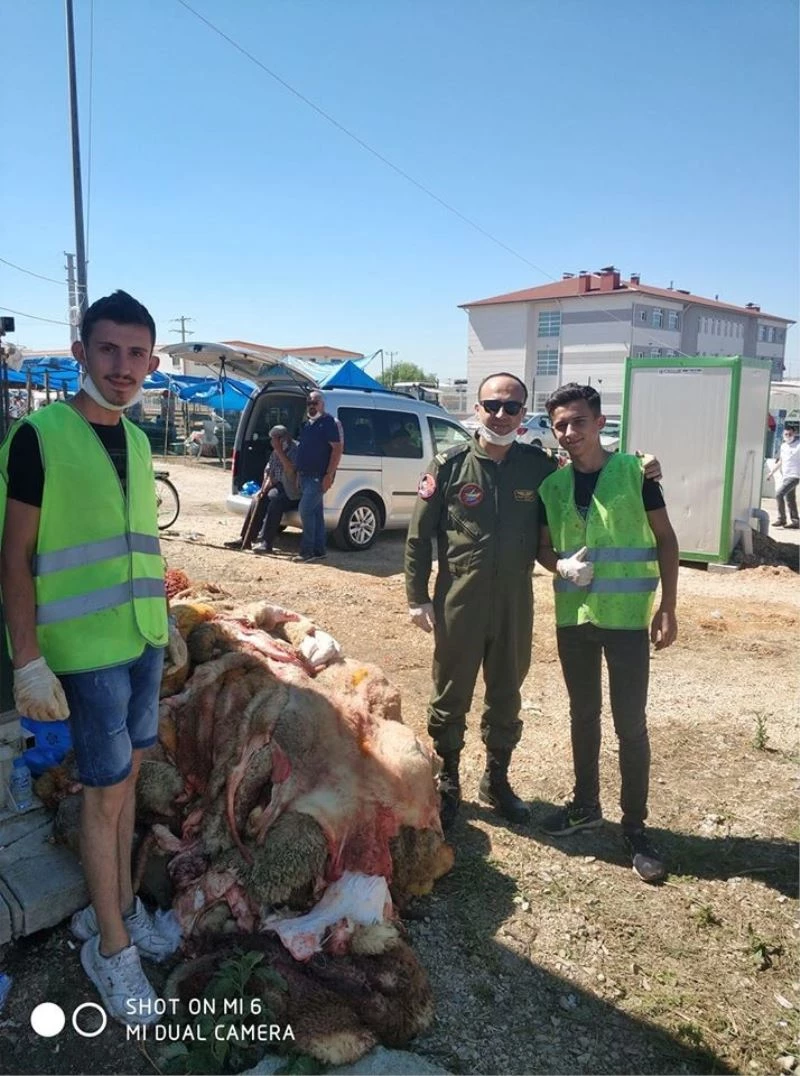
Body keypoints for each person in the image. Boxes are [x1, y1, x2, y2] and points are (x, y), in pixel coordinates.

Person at [0, 290, 176, 1024]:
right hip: (87, 652)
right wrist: (28, 659)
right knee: (105, 800)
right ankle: (111, 951)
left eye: (137, 354)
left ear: (152, 361)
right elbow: (13, 558)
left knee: (127, 786)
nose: (124, 366)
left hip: (141, 639)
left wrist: (166, 624)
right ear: (80, 353)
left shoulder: (136, 440)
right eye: (109, 349)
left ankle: (120, 912)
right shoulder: (39, 437)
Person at [536, 383, 679, 884]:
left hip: (626, 621)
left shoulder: (637, 473)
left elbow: (666, 539)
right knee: (583, 714)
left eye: (578, 421)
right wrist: (558, 566)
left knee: (630, 723)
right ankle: (585, 805)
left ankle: (636, 827)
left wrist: (669, 608)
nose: (569, 432)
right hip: (574, 620)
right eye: (560, 425)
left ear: (600, 423)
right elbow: (543, 547)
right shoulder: (552, 488)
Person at [404, 373, 557, 830]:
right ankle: (449, 781)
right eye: (492, 405)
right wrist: (417, 597)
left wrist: (637, 467)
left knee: (507, 691)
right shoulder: (448, 465)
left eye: (512, 407)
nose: (501, 415)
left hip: (515, 599)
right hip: (459, 600)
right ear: (476, 409)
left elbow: (585, 483)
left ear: (524, 413)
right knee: (451, 693)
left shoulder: (540, 467)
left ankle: (497, 779)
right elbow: (418, 538)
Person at [271, 390, 342, 563]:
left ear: (322, 404)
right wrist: (298, 474)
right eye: (309, 403)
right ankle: (319, 550)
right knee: (316, 514)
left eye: (315, 403)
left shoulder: (329, 423)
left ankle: (307, 551)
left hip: (319, 477)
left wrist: (329, 475)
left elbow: (337, 449)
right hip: (305, 476)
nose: (311, 406)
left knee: (305, 509)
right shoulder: (307, 425)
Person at [224, 425, 300, 553]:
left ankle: (266, 542)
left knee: (275, 502)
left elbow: (291, 471)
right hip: (275, 486)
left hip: (290, 490)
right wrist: (263, 489)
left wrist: (280, 451)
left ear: (283, 438)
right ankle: (246, 539)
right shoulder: (275, 453)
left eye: (275, 439)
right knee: (257, 500)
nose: (273, 442)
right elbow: (268, 471)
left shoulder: (295, 450)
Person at [768, 422, 800, 529]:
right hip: (786, 476)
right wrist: (771, 472)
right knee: (790, 499)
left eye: (790, 434)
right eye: (786, 434)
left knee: (779, 494)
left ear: (794, 433)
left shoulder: (799, 445)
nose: (788, 437)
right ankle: (795, 521)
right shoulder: (783, 446)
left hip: (795, 476)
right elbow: (781, 461)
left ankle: (782, 519)